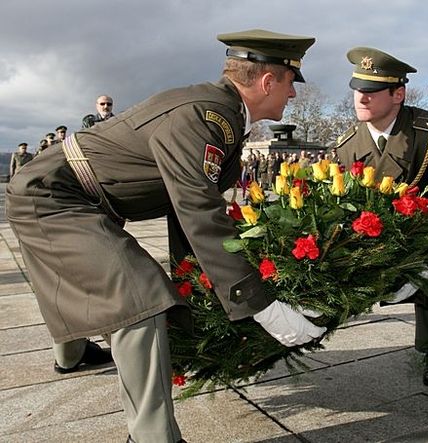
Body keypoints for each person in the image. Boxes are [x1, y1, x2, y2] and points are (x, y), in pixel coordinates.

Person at [6, 29, 325, 443]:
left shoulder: (223, 116)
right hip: (54, 196)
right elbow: (199, 212)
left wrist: (197, 294)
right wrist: (259, 304)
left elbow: (186, 211)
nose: (293, 96)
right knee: (138, 294)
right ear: (267, 82)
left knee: (98, 277)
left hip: (88, 196)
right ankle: (152, 438)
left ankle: (73, 354)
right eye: (290, 83)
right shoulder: (207, 116)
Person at [335, 47, 428, 387]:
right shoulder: (346, 146)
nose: (361, 98)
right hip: (377, 231)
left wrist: (427, 255)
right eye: (357, 89)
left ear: (398, 93)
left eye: (372, 91)